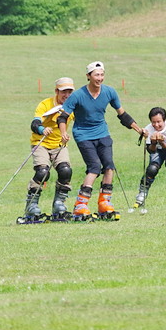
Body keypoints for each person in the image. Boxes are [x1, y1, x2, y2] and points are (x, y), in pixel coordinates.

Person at [57, 61, 144, 218]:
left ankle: (104, 203)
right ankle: (80, 205)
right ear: (88, 76)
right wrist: (63, 132)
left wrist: (139, 130)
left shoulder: (109, 92)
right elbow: (62, 117)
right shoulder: (77, 95)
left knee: (109, 166)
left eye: (102, 74)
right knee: (94, 167)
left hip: (102, 133)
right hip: (83, 135)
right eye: (97, 75)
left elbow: (122, 115)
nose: (100, 78)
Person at [24, 77, 76, 218]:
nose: (66, 95)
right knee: (43, 172)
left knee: (65, 171)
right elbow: (34, 124)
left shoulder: (72, 106)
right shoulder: (45, 104)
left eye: (69, 92)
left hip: (59, 144)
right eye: (63, 92)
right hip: (41, 143)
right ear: (56, 91)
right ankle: (31, 205)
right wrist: (42, 129)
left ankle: (59, 203)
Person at [136, 107, 166, 205]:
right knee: (152, 169)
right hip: (157, 150)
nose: (156, 125)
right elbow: (150, 150)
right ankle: (142, 194)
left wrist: (161, 142)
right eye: (153, 122)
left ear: (164, 120)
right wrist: (153, 142)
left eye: (159, 122)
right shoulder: (148, 129)